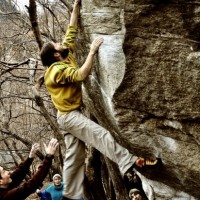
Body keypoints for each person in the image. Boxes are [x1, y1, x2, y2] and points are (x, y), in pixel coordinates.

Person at [39, 0, 162, 199]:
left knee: (74, 156)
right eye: (57, 44)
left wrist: (77, 6)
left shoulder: (65, 54)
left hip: (66, 115)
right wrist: (92, 51)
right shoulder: (55, 71)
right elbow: (80, 75)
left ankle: (70, 195)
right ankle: (129, 161)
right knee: (101, 135)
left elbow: (71, 29)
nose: (60, 43)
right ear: (55, 54)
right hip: (69, 116)